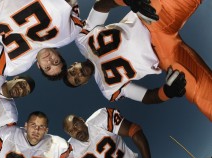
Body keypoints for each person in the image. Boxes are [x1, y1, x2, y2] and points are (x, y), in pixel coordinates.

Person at [0, 0, 158, 79]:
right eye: (57, 62)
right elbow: (91, 5)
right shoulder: (70, 33)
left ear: (39, 67)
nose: (50, 61)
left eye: (48, 67)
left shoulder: (18, 64)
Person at [64, 0, 212, 121]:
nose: (78, 75)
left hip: (150, 18)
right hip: (165, 55)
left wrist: (124, 0)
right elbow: (146, 97)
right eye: (77, 80)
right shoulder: (108, 90)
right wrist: (166, 92)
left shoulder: (82, 40)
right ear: (84, 83)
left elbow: (100, 6)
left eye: (73, 72)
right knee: (202, 96)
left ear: (73, 64)